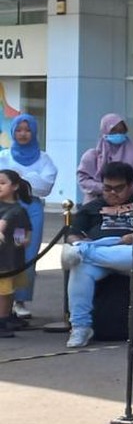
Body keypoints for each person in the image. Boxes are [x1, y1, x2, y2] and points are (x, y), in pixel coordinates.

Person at [60, 161, 133, 348]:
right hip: (100, 261)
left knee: (80, 255)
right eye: (107, 188)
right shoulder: (91, 207)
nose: (112, 193)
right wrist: (76, 242)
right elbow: (73, 234)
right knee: (79, 268)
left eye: (118, 188)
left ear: (130, 186)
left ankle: (85, 251)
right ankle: (80, 326)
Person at [0, 114, 58, 320]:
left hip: (29, 211)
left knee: (23, 251)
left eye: (27, 130)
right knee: (3, 253)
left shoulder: (43, 158)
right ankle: (4, 301)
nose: (22, 134)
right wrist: (28, 179)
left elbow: (44, 186)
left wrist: (20, 177)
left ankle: (21, 300)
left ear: (34, 132)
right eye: (18, 130)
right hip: (4, 209)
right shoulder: (4, 155)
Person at [77, 113, 133, 201]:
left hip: (129, 202)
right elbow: (83, 180)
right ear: (105, 131)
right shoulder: (92, 156)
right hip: (95, 201)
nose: (118, 134)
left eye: (121, 131)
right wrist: (104, 188)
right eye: (113, 131)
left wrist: (124, 189)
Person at [0, 170, 32, 338]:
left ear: (15, 186)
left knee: (8, 290)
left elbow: (21, 230)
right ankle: (2, 319)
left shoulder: (18, 209)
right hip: (3, 259)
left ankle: (5, 317)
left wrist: (21, 240)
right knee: (3, 291)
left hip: (10, 257)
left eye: (2, 183)